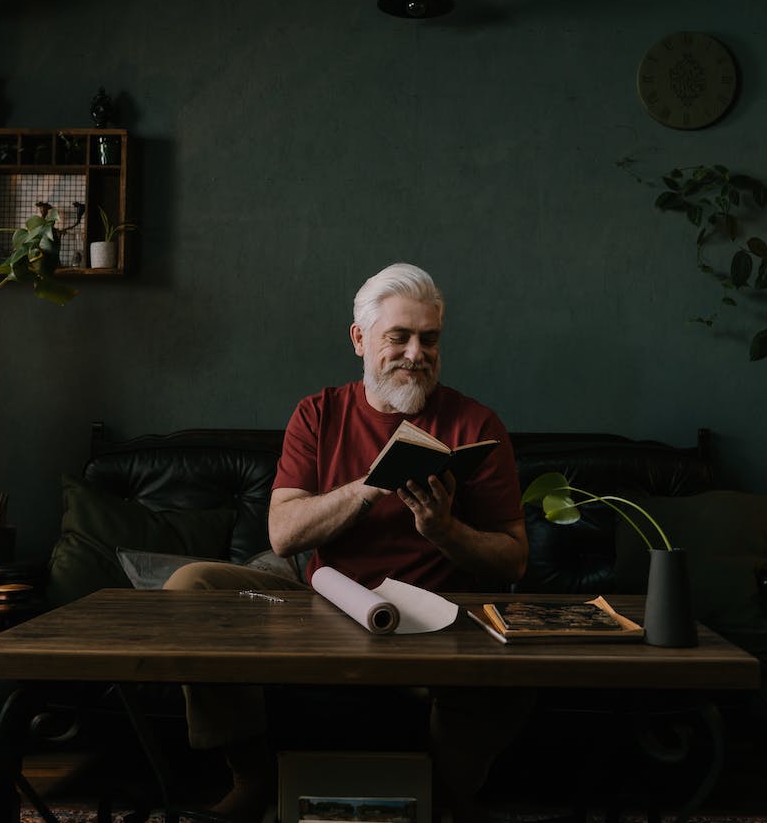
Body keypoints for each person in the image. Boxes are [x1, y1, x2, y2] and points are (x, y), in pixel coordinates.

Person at [166, 262, 529, 823]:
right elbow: (284, 535)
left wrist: (444, 531)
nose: (416, 354)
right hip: (324, 603)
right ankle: (252, 781)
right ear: (360, 339)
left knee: (515, 643)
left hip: (437, 611)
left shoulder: (476, 423)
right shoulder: (319, 413)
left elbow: (515, 558)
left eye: (429, 339)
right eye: (399, 337)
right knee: (192, 585)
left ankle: (449, 796)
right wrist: (369, 487)